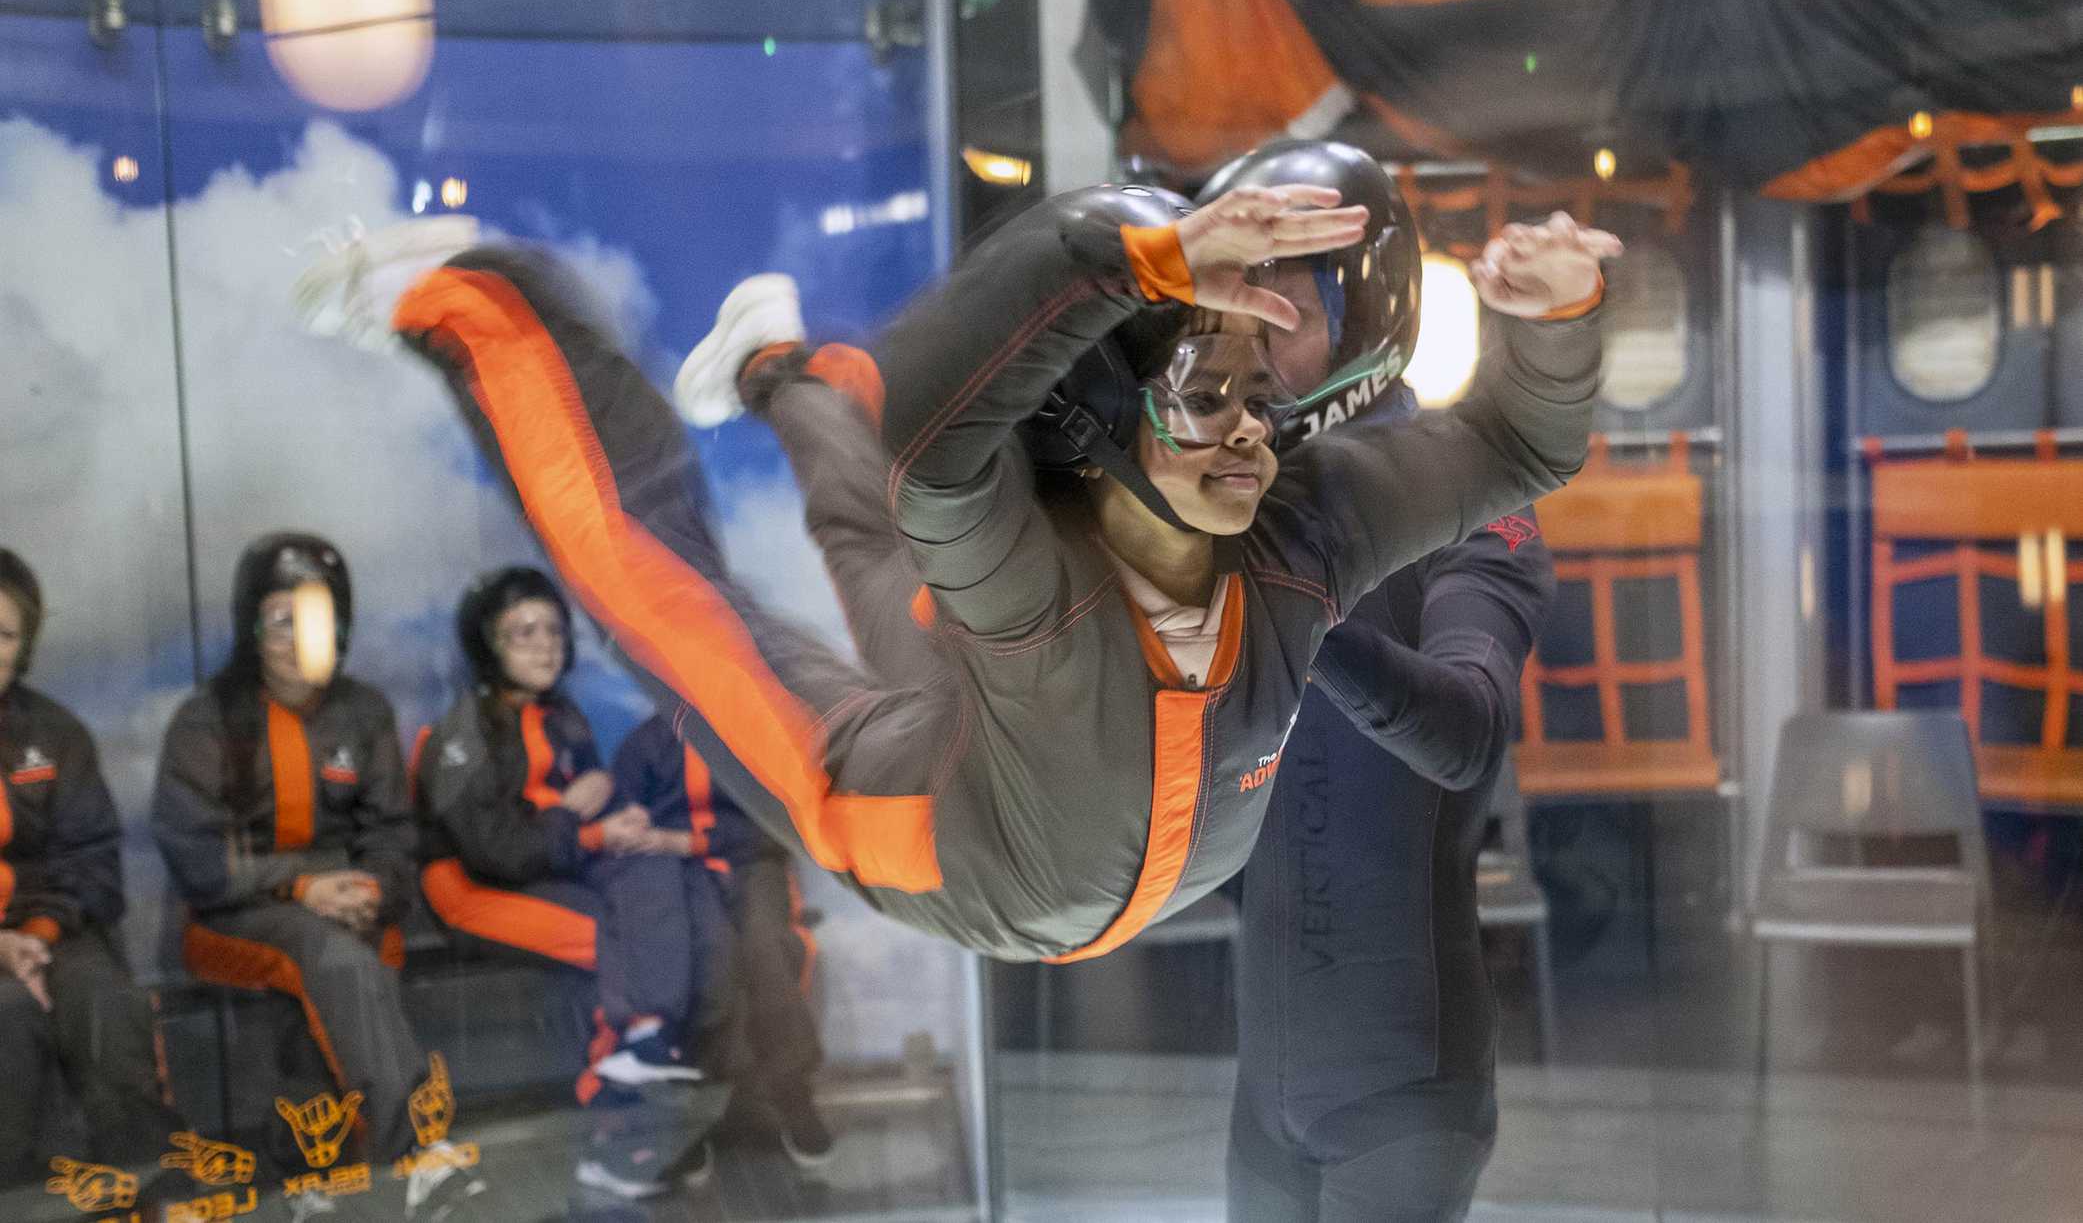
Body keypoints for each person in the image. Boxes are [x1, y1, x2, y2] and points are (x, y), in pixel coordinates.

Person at [299, 137, 1615, 964]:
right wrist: (1134, 255)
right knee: (661, 588)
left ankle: (774, 360)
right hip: (941, 824)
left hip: (1001, 703)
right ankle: (470, 299)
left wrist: (1554, 324)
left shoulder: (1298, 530)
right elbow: (935, 440)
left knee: (876, 535)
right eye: (1207, 393)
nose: (1248, 435)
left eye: (1267, 399)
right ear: (1119, 410)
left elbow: (1514, 443)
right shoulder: (1010, 550)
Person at [1226, 415, 1557, 1223]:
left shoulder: (1471, 491)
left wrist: (1297, 614)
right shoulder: (1234, 495)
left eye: (1292, 306)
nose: (1262, 339)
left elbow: (1464, 733)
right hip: (1260, 1095)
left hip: (1403, 1095)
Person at [149, 533, 482, 1219]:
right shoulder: (206, 719)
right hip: (226, 915)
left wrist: (375, 891)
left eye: (315, 617)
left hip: (345, 905)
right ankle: (418, 1152)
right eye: (279, 619)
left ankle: (307, 1173)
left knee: (352, 954)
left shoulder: (363, 713)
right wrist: (300, 888)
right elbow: (197, 859)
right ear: (251, 629)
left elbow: (392, 833)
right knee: (333, 960)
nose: (296, 636)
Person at [416, 565, 727, 1200]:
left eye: (554, 629)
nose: (545, 644)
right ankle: (613, 1137)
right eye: (522, 631)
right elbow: (494, 852)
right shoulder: (461, 734)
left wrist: (619, 822)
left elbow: (574, 819)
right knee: (614, 942)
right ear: (487, 646)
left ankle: (646, 1048)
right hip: (471, 889)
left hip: (543, 872)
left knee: (654, 873)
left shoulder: (564, 717)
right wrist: (581, 823)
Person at [0, 548, 186, 1189]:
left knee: (107, 1008)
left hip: (49, 932)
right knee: (8, 1019)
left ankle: (148, 1190)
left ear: (23, 647)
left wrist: (36, 937)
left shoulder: (55, 734)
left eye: (3, 634)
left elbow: (94, 862)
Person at [614, 711, 832, 1170]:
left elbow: (776, 822)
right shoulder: (645, 745)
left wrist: (693, 841)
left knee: (767, 947)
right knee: (703, 957)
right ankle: (699, 1104)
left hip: (753, 863)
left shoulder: (748, 732)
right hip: (679, 877)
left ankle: (791, 1089)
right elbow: (623, 827)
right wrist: (631, 825)